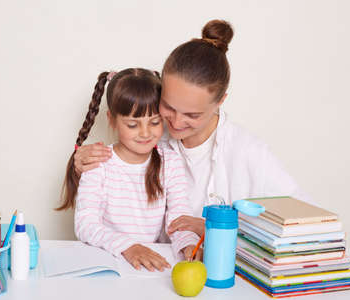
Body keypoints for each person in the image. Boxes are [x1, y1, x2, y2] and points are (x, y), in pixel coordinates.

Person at [73, 20, 310, 239]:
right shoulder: (150, 133)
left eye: (192, 115)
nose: (175, 122)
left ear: (220, 102)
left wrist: (215, 228)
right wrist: (82, 163)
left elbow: (305, 224)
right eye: (168, 106)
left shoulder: (248, 152)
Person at [57, 68, 200, 272]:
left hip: (149, 266)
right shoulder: (98, 162)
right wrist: (128, 247)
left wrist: (188, 244)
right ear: (112, 120)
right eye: (133, 124)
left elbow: (179, 218)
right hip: (108, 261)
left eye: (155, 122)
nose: (145, 133)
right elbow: (85, 225)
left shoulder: (171, 161)